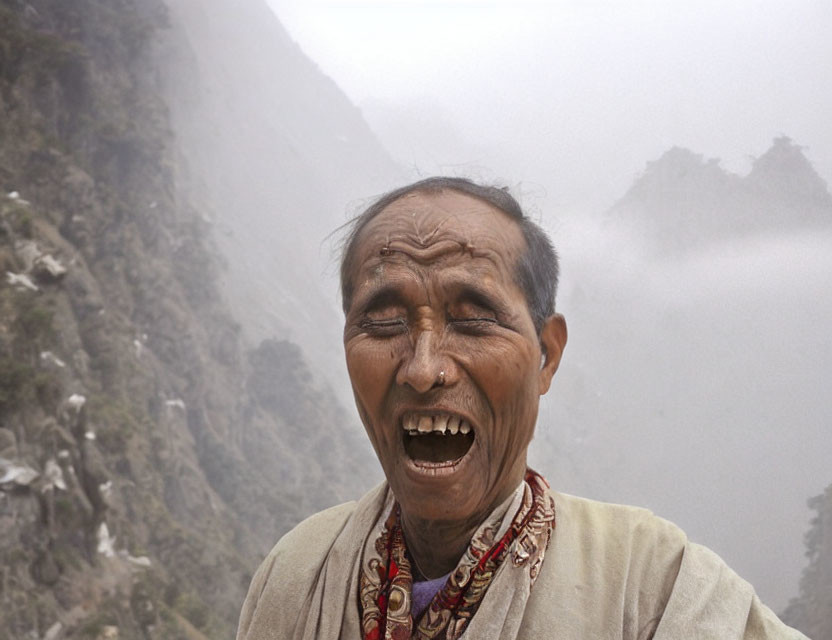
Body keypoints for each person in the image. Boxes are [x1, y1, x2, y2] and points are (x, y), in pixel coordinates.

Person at [236, 177, 807, 639]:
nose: (423, 367)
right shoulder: (297, 575)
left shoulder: (655, 588)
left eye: (474, 319)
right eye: (384, 322)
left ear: (546, 356)